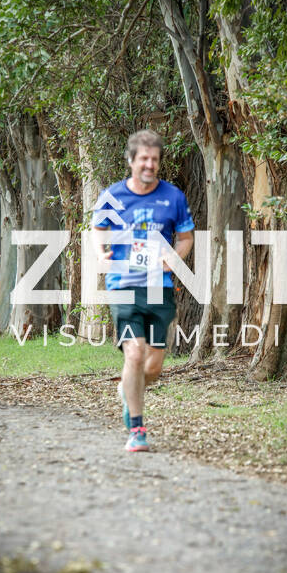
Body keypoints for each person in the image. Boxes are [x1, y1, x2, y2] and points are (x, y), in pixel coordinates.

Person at [92, 129, 194, 452]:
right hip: (123, 284)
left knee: (153, 367)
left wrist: (174, 257)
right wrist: (101, 253)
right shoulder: (112, 196)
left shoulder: (173, 197)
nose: (150, 165)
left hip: (158, 287)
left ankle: (128, 387)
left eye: (155, 159)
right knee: (134, 353)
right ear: (131, 160)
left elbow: (186, 237)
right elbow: (97, 228)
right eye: (144, 159)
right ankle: (137, 430)